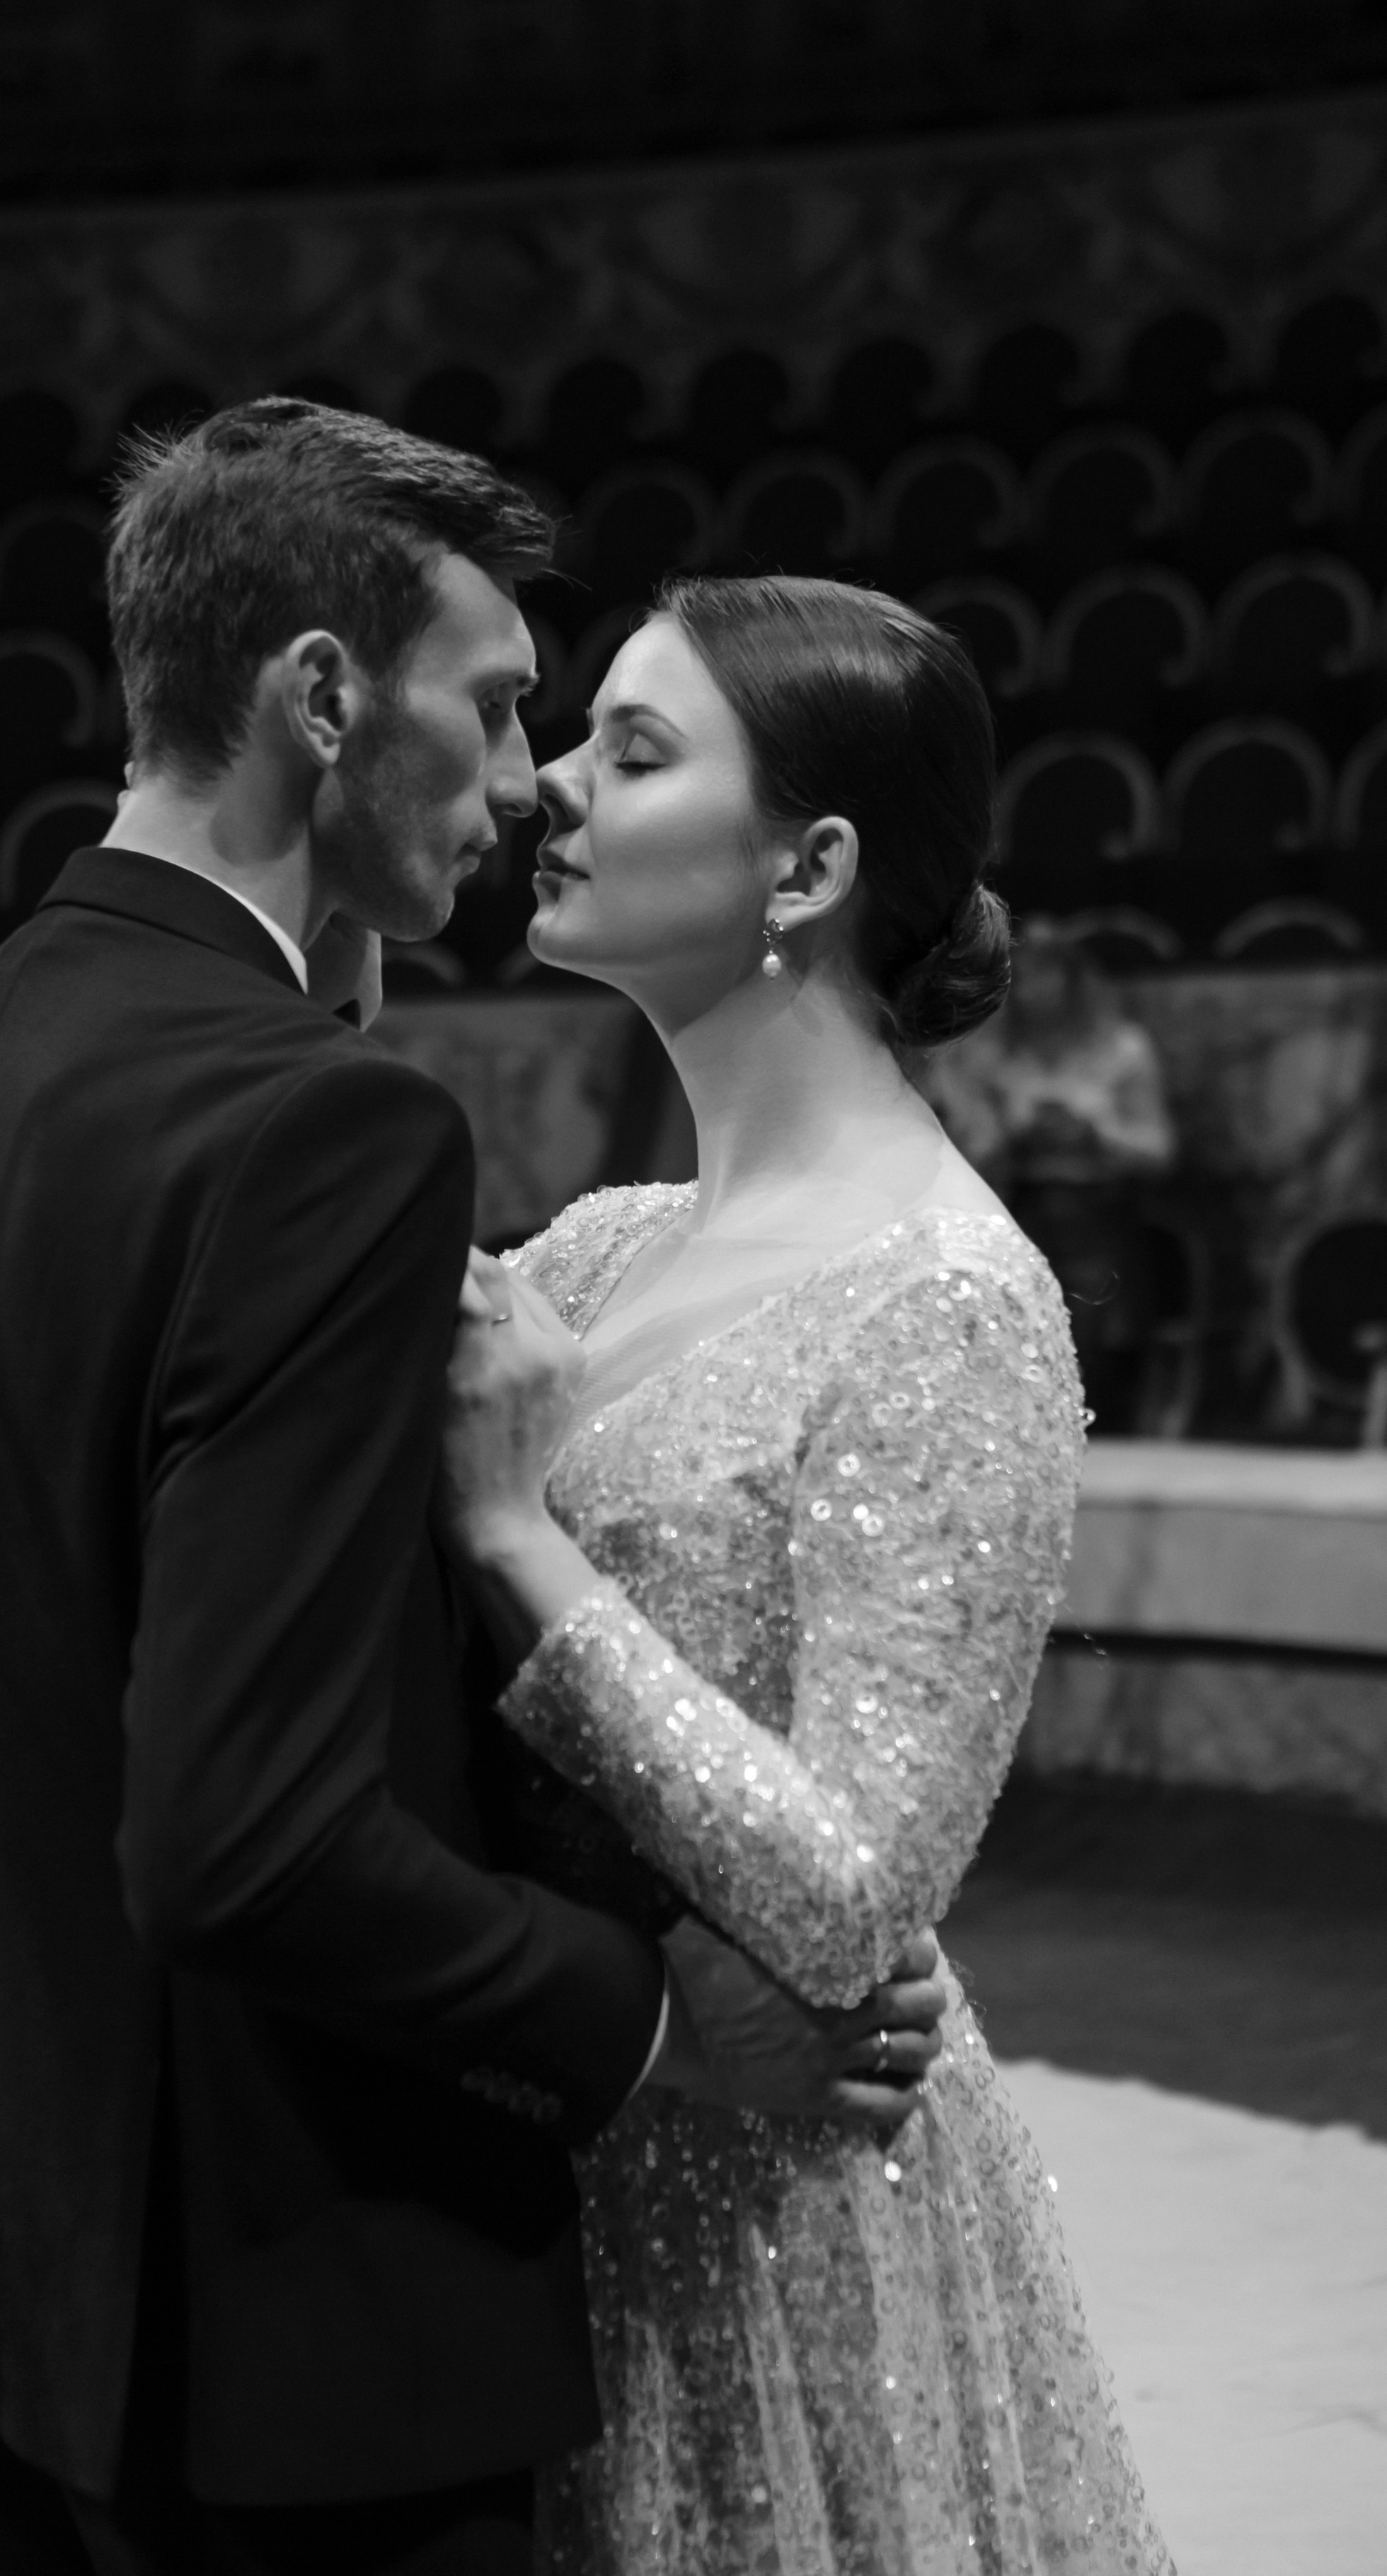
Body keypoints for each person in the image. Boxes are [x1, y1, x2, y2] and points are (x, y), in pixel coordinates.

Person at [0, 406, 944, 2576]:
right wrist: (660, 2013)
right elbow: (244, 1840)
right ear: (317, 698)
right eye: (491, 712)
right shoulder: (329, 1130)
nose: (518, 786)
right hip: (303, 2336)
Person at [437, 575, 1174, 2572]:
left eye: (634, 752)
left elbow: (858, 1895)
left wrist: (510, 1537)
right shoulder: (593, 1249)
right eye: (577, 738)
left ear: (814, 864)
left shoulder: (952, 1303)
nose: (550, 791)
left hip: (775, 2229)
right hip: (545, 2162)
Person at [923, 920, 1177, 1433]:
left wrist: (1094, 1129)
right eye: (1025, 977)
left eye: (1048, 975)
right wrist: (1007, 1123)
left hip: (1098, 1216)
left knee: (1089, 1356)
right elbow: (968, 1150)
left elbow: (1160, 1150)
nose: (1036, 991)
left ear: (1074, 980)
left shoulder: (1123, 1050)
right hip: (1017, 1211)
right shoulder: (995, 1056)